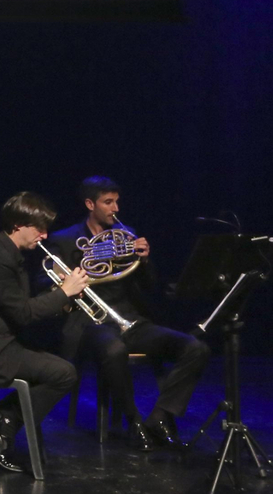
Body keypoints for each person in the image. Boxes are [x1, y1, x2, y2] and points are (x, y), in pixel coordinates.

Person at [50, 177, 209, 450]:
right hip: (89, 323)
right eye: (108, 202)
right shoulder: (64, 239)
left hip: (129, 320)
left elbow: (149, 286)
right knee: (113, 351)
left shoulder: (127, 235)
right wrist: (67, 280)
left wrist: (145, 260)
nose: (116, 208)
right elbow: (44, 282)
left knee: (196, 348)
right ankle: (133, 421)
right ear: (90, 204)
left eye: (117, 201)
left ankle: (159, 417)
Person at [0, 192, 86, 473]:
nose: (44, 235)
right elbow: (23, 314)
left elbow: (20, 307)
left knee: (59, 362)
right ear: (18, 225)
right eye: (38, 228)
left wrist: (59, 296)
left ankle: (1, 415)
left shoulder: (9, 254)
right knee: (64, 374)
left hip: (1, 341)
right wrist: (64, 292)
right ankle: (4, 419)